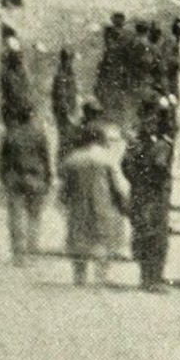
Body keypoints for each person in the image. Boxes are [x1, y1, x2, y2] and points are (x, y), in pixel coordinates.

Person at [58, 120, 130, 285]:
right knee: (102, 240)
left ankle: (79, 276)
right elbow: (118, 184)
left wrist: (64, 201)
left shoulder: (73, 158)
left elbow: (65, 186)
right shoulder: (107, 159)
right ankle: (101, 276)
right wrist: (124, 200)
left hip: (78, 205)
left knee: (78, 239)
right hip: (104, 204)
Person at [121, 97, 176, 290]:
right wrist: (150, 181)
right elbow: (158, 168)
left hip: (141, 193)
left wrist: (137, 182)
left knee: (144, 233)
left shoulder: (136, 142)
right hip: (154, 195)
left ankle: (148, 278)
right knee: (155, 236)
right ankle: (152, 279)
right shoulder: (160, 144)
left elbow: (125, 166)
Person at [0, 104, 52, 266]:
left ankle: (18, 255)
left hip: (14, 179)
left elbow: (3, 160)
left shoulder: (9, 134)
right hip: (35, 178)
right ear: (31, 116)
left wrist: (3, 178)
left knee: (15, 217)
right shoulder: (39, 134)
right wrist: (48, 178)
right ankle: (32, 252)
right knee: (34, 217)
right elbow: (46, 158)